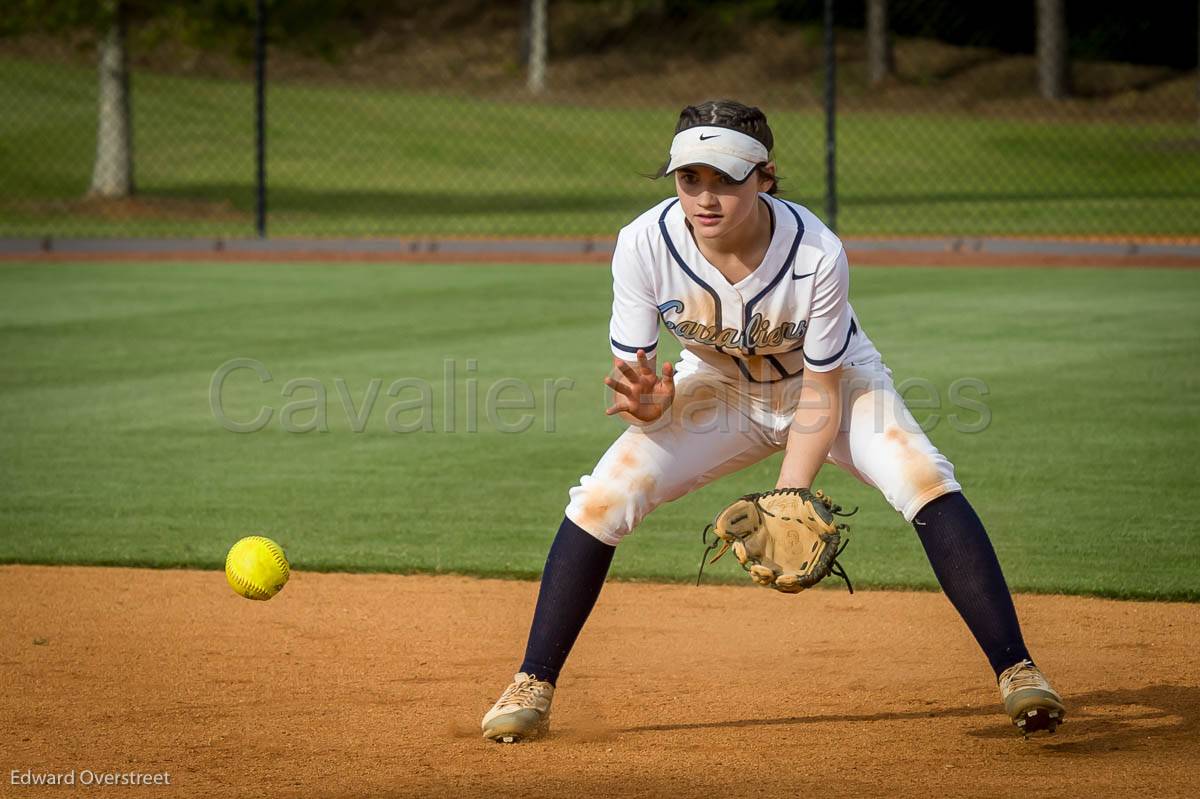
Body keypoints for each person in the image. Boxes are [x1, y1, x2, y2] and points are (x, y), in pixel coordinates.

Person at [480, 100, 1065, 743]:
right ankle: (532, 682)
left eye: (726, 179)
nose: (705, 198)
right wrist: (650, 405)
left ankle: (1017, 670)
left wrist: (791, 492)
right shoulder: (645, 243)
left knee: (921, 475)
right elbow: (644, 380)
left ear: (764, 176)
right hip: (717, 387)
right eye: (689, 179)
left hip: (832, 387)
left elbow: (822, 388)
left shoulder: (816, 251)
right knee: (602, 499)